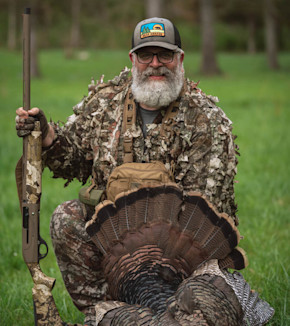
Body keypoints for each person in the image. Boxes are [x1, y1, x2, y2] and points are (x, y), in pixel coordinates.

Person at [16, 17, 239, 326]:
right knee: (66, 218)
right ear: (133, 58)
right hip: (118, 248)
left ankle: (148, 311)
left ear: (181, 59)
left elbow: (206, 212)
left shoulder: (208, 120)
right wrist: (48, 137)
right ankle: (105, 313)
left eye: (165, 55)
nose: (156, 64)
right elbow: (75, 160)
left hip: (182, 256)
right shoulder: (105, 103)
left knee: (201, 308)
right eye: (146, 55)